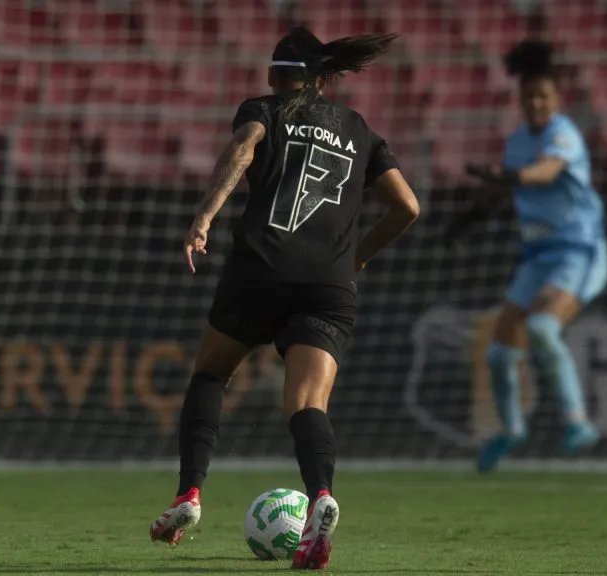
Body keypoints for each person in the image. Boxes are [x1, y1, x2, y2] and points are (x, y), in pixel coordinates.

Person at [149, 27, 419, 571]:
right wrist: (358, 257)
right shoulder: (360, 129)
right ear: (320, 80)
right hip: (328, 285)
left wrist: (203, 216)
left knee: (210, 375)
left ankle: (189, 497)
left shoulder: (264, 110)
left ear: (276, 77)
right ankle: (321, 496)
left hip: (262, 269)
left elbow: (242, 149)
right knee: (306, 404)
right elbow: (407, 207)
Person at [446, 40, 607, 473]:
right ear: (520, 99)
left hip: (578, 251)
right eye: (529, 96)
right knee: (500, 354)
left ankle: (577, 422)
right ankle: (511, 430)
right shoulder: (517, 141)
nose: (536, 103)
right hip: (537, 254)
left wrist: (510, 176)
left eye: (544, 96)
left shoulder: (564, 135)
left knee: (540, 325)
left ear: (557, 100)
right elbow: (505, 190)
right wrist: (469, 219)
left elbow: (545, 173)